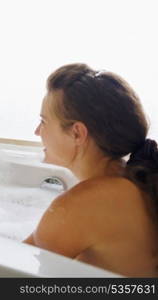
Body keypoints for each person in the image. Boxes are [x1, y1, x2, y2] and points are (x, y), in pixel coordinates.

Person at [23, 63, 158, 277]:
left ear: (77, 133)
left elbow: (7, 278)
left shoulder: (80, 205)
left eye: (44, 121)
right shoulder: (138, 181)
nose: (37, 131)